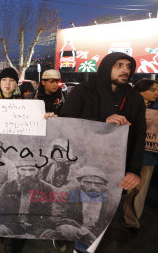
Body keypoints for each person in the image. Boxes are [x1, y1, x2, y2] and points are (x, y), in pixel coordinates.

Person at [60, 52, 146, 253]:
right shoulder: (82, 92)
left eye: (128, 66)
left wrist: (134, 170)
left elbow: (139, 136)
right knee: (72, 210)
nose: (126, 70)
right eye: (119, 65)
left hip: (112, 170)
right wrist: (102, 125)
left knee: (98, 216)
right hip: (79, 166)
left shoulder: (134, 99)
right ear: (107, 67)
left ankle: (82, 249)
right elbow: (66, 126)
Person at [122, 79, 158, 232]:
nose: (156, 93)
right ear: (140, 91)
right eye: (152, 90)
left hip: (148, 157)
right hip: (125, 155)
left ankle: (131, 220)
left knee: (139, 191)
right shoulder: (126, 106)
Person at [53, 166, 118, 245]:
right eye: (88, 182)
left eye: (98, 184)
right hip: (75, 228)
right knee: (67, 229)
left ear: (104, 186)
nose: (93, 187)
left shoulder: (110, 201)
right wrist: (82, 229)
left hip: (96, 232)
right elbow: (57, 217)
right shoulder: (68, 193)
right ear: (80, 182)